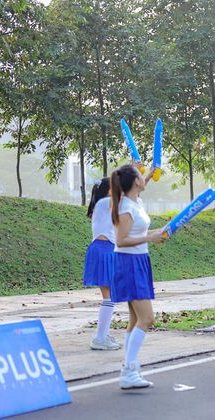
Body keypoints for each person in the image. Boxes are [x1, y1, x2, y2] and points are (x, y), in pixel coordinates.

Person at [110, 164, 166, 389]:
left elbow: (140, 231)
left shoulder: (136, 202)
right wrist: (150, 238)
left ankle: (130, 369)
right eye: (141, 175)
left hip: (139, 260)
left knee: (135, 320)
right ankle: (128, 370)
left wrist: (155, 233)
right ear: (135, 181)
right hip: (128, 263)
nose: (144, 178)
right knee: (147, 319)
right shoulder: (125, 207)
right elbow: (121, 240)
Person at [84, 178, 120, 351]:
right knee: (109, 297)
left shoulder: (106, 206)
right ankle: (99, 338)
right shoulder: (104, 204)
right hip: (103, 250)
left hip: (106, 249)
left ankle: (103, 335)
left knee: (111, 297)